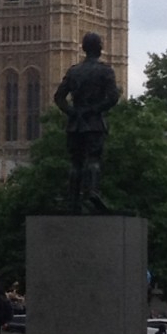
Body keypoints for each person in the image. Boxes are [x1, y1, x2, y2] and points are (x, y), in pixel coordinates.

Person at [54, 32, 120, 213]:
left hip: (75, 125)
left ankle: (73, 199)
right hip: (94, 123)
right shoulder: (105, 70)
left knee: (75, 162)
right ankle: (92, 192)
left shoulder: (74, 71)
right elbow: (113, 97)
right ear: (100, 48)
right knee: (93, 159)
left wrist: (72, 112)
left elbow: (59, 97)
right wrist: (95, 110)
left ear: (83, 48)